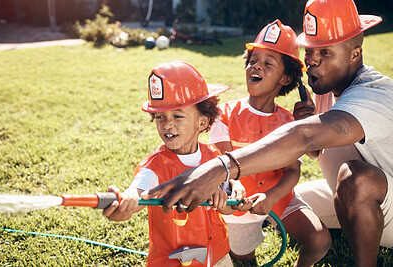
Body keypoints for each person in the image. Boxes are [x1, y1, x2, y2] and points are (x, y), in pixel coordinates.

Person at [141, 0, 393, 266]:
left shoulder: (376, 93)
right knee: (293, 202)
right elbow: (316, 150)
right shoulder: (328, 89)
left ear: (355, 53)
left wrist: (220, 167)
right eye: (309, 50)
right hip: (347, 192)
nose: (312, 61)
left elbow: (305, 137)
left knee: (356, 178)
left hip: (379, 197)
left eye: (326, 53)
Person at [209, 19, 330, 266]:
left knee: (320, 240)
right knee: (244, 259)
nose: (256, 67)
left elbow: (293, 171)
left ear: (285, 79)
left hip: (278, 195)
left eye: (267, 63)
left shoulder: (289, 122)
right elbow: (223, 169)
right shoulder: (225, 114)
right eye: (253, 61)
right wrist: (239, 199)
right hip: (237, 202)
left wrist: (272, 197)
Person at [103, 61, 238, 266]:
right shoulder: (154, 167)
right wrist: (126, 203)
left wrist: (225, 200)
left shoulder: (213, 156)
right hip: (174, 260)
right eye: (160, 117)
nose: (167, 124)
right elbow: (138, 192)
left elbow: (230, 209)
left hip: (218, 256)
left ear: (202, 122)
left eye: (177, 115)